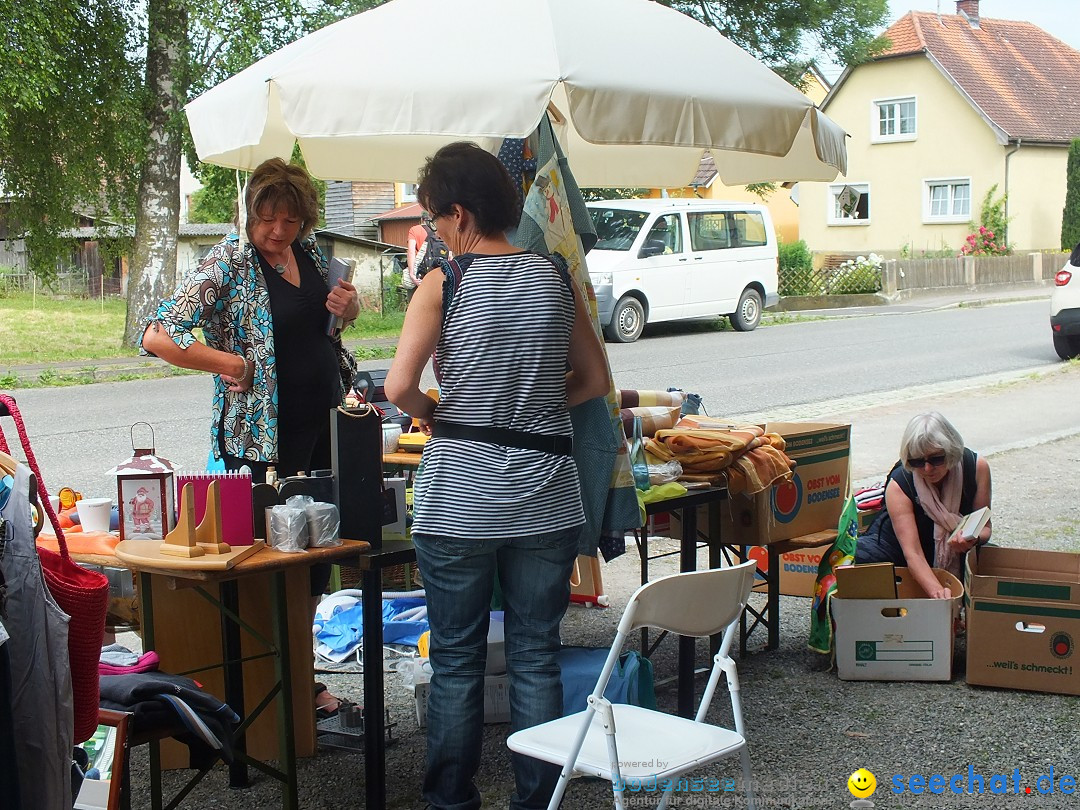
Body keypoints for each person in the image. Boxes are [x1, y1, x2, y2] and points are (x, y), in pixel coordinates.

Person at [384, 141, 609, 810]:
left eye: (433, 218)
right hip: (545, 497)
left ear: (460, 214)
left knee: (457, 659)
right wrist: (531, 405)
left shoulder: (444, 283)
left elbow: (399, 386)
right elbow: (594, 379)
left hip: (459, 503)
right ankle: (536, 800)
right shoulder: (553, 275)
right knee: (538, 655)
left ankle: (451, 801)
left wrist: (439, 415)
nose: (432, 233)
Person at [141, 156, 359, 716]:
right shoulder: (227, 263)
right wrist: (229, 363)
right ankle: (264, 688)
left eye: (290, 219)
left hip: (319, 428)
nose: (278, 231)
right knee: (264, 557)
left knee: (313, 556)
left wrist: (349, 308)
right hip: (262, 440)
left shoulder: (309, 255)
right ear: (250, 212)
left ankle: (302, 680)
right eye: (268, 218)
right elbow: (159, 335)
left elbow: (323, 326)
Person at [855, 411, 992, 598]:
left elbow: (985, 528)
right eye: (917, 461)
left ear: (951, 451)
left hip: (955, 550)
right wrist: (940, 594)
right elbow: (913, 553)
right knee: (858, 559)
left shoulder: (977, 468)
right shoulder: (899, 483)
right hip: (901, 549)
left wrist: (972, 537)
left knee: (993, 561)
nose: (927, 469)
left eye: (936, 459)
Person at [404, 211, 451, 297]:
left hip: (420, 274)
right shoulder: (440, 231)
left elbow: (411, 251)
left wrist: (411, 273)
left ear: (421, 219)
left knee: (415, 303)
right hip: (437, 274)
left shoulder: (415, 230)